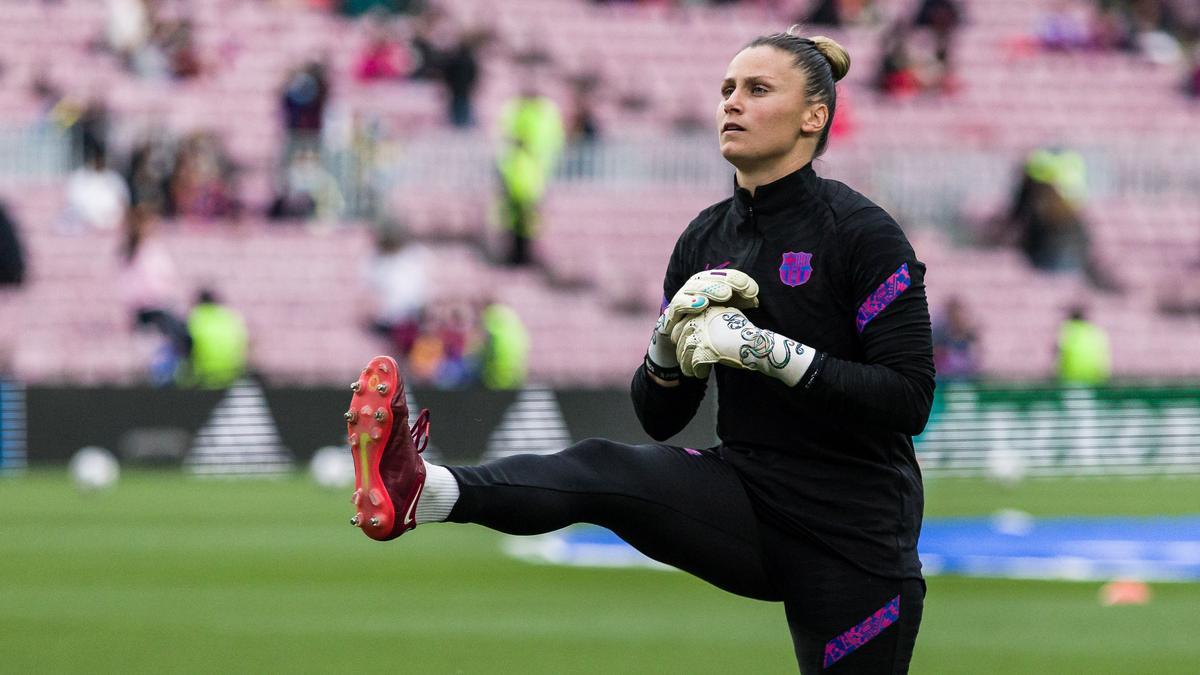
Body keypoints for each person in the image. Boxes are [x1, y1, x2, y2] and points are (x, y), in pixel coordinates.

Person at [344, 28, 933, 674]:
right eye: (727, 89)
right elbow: (659, 416)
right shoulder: (704, 237)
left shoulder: (863, 233)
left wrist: (767, 351)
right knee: (603, 466)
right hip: (749, 496)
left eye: (758, 89)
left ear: (813, 116)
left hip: (855, 529)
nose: (732, 103)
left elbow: (908, 397)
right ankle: (424, 490)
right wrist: (664, 351)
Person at [1056, 305, 1110, 385]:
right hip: (1092, 379)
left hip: (1071, 379)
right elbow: (1103, 358)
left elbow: (1059, 356)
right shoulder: (1096, 332)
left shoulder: (1067, 330)